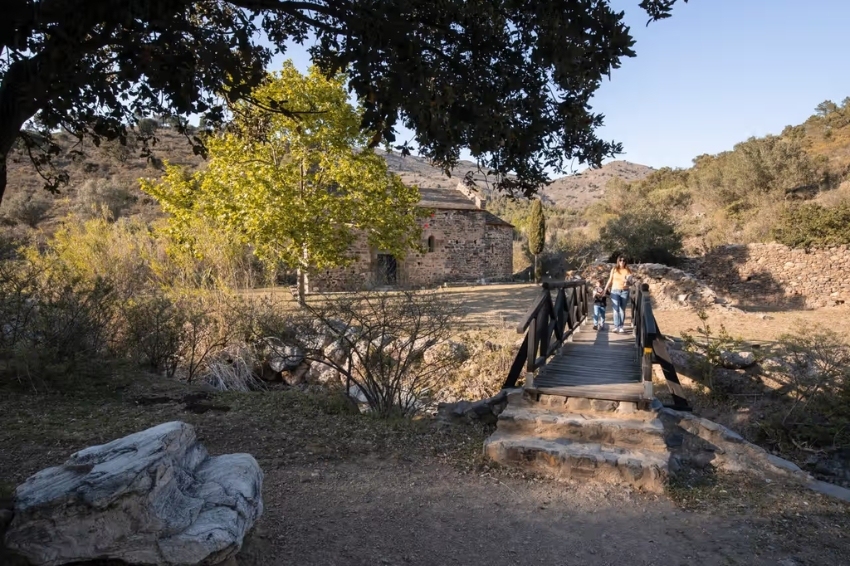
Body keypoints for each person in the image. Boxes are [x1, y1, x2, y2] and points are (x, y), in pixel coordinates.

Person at [605, 256, 633, 333]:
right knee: (615, 309)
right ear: (618, 261)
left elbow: (631, 283)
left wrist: (627, 281)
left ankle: (621, 326)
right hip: (615, 291)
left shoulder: (628, 270)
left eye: (623, 260)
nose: (622, 262)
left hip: (624, 291)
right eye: (620, 260)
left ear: (625, 261)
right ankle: (616, 326)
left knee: (622, 310)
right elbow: (610, 280)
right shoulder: (614, 269)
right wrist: (605, 289)